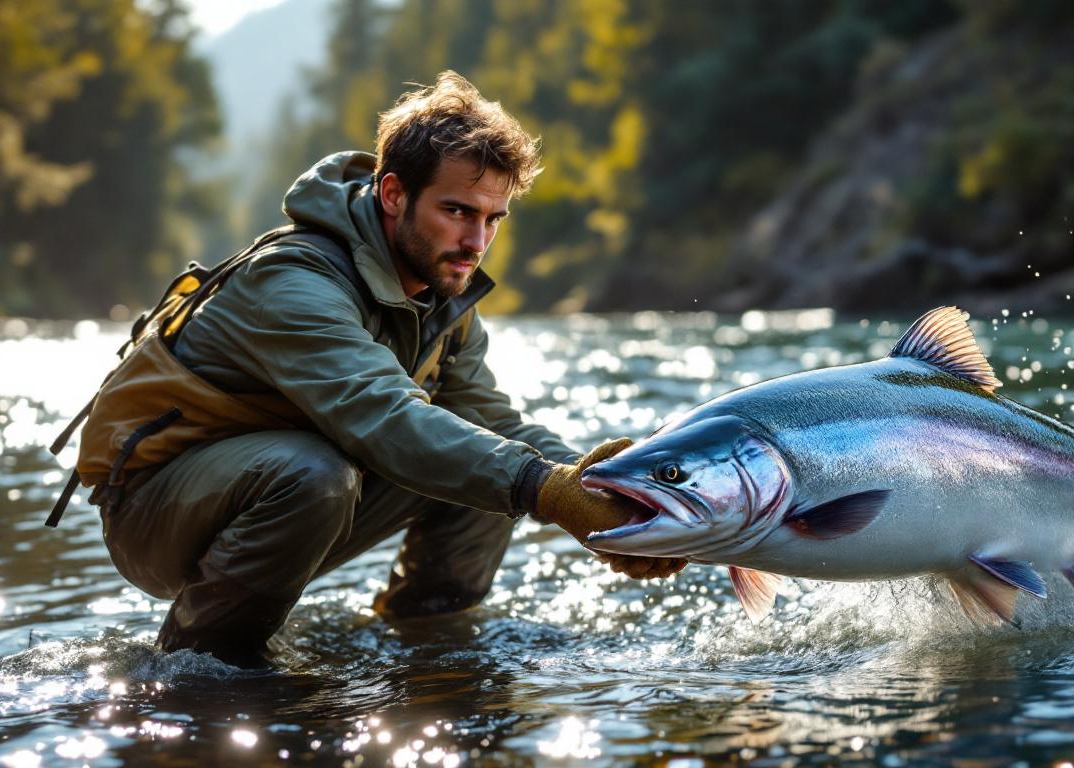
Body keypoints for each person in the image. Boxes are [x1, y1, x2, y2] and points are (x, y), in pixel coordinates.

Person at [80, 71, 685, 667]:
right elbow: (382, 416)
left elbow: (496, 428)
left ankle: (429, 648)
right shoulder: (292, 282)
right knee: (321, 474)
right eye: (456, 211)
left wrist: (612, 493)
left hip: (277, 481)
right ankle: (207, 665)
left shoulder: (444, 299)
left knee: (488, 462)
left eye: (493, 219)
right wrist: (546, 491)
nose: (476, 241)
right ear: (393, 195)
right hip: (156, 510)